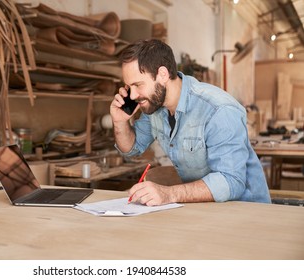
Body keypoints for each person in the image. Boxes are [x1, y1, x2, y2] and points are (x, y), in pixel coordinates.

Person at [110, 39, 271, 206]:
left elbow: (231, 182)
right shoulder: (155, 107)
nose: (133, 95)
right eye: (129, 87)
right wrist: (119, 121)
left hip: (246, 209)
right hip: (204, 207)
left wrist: (169, 193)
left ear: (163, 75)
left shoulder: (219, 110)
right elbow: (131, 149)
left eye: (138, 85)